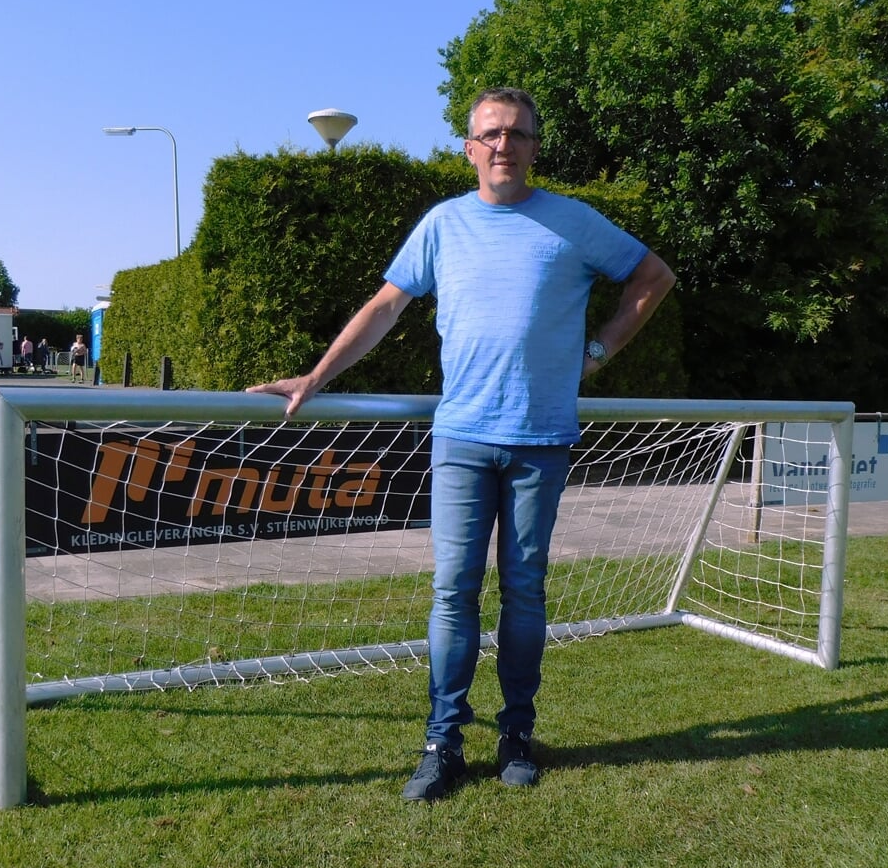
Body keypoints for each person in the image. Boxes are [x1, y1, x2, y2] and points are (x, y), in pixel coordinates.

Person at [249, 87, 676, 801]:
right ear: (470, 149)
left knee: (525, 592)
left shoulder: (573, 223)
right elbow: (386, 305)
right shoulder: (443, 226)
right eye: (490, 134)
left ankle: (516, 734)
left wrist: (598, 351)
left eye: (516, 133)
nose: (503, 145)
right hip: (462, 439)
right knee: (453, 593)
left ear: (535, 146)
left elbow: (652, 277)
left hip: (540, 442)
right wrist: (319, 376)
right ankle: (442, 740)